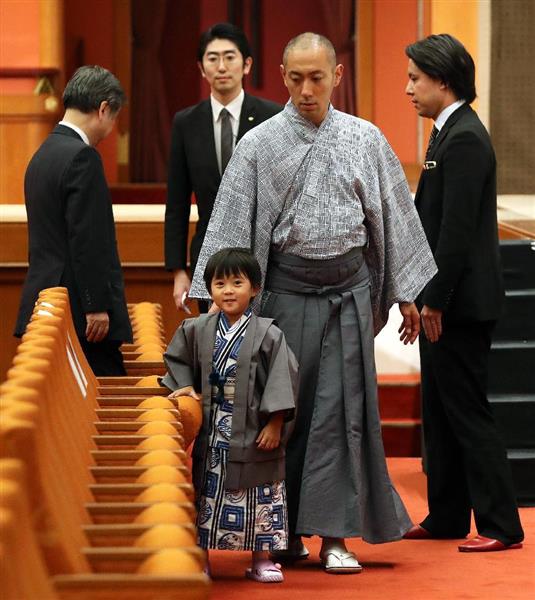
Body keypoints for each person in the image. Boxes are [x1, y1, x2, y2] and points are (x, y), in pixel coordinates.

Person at [188, 33, 437, 573]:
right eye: (296, 78)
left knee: (344, 416)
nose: (306, 89)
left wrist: (407, 292)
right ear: (281, 75)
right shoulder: (258, 144)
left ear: (337, 76)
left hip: (348, 293)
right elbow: (230, 220)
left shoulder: (365, 138)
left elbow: (394, 217)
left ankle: (336, 536)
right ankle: (282, 533)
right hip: (284, 296)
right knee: (283, 413)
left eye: (317, 78)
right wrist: (217, 299)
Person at [403, 34, 524, 552]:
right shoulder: (446, 134)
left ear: (443, 81)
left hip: (459, 304)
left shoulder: (467, 138)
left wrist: (433, 299)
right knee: (440, 410)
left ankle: (501, 525)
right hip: (446, 297)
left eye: (415, 78)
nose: (408, 88)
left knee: (468, 411)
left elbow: (455, 232)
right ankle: (448, 514)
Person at [162, 248, 298, 582]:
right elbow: (177, 361)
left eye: (237, 282)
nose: (228, 290)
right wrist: (187, 388)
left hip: (254, 429)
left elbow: (285, 375)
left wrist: (275, 422)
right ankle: (202, 557)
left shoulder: (269, 333)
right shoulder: (197, 328)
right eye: (219, 283)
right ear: (209, 289)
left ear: (255, 288)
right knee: (208, 493)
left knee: (260, 492)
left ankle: (261, 558)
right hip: (214, 429)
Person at [14, 65, 132, 376]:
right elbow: (88, 240)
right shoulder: (83, 157)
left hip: (46, 304)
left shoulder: (42, 154)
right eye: (114, 119)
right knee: (105, 397)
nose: (110, 130)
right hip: (79, 313)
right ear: (104, 109)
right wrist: (96, 305)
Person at [165, 23, 283, 313]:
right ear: (201, 67)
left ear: (246, 64)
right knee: (214, 351)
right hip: (210, 257)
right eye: (212, 58)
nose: (221, 66)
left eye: (230, 57)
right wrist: (179, 271)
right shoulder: (186, 122)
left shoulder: (273, 117)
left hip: (262, 257)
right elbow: (177, 202)